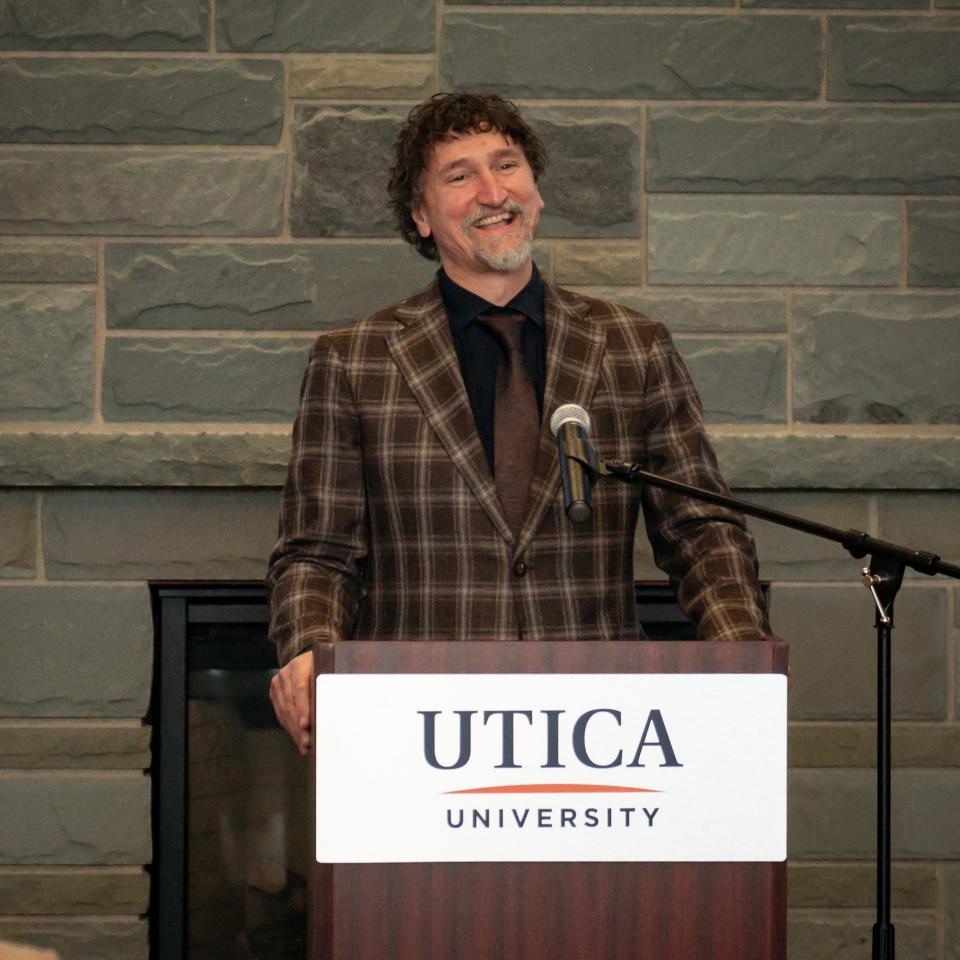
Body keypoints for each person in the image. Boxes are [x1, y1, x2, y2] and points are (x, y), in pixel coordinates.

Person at [267, 92, 771, 754]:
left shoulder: (633, 346)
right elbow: (318, 552)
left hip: (604, 730)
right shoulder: (353, 360)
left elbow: (702, 530)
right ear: (420, 217)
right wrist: (310, 654)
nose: (491, 190)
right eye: (459, 175)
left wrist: (743, 658)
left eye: (507, 166)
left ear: (534, 193)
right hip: (417, 728)